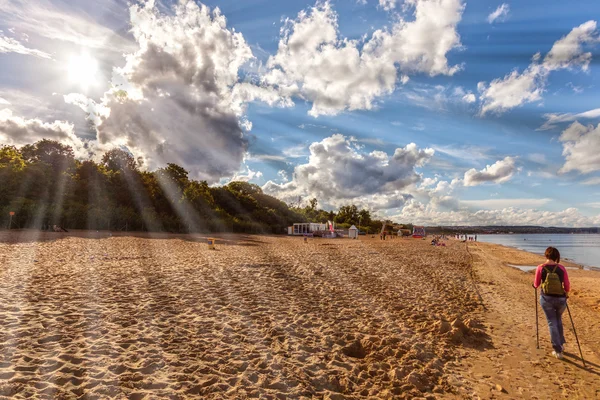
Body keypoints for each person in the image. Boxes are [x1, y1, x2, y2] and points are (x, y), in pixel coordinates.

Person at [533, 247, 570, 359]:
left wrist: (534, 286)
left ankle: (557, 350)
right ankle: (561, 345)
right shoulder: (561, 268)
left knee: (552, 322)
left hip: (546, 298)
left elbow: (536, 284)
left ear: (546, 255)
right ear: (557, 256)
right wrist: (566, 293)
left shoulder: (540, 267)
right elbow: (567, 285)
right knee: (558, 320)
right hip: (561, 299)